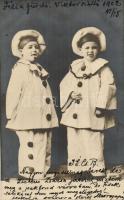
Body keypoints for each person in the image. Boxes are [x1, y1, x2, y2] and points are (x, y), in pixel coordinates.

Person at [60, 27, 117, 177]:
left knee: (93, 139)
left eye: (94, 47)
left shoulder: (103, 68)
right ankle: (78, 170)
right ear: (80, 49)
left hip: (92, 112)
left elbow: (109, 86)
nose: (90, 51)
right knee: (75, 140)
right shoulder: (75, 66)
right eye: (87, 47)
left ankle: (96, 170)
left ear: (98, 49)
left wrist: (101, 106)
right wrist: (71, 94)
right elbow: (64, 84)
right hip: (75, 112)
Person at [6, 30, 58, 179]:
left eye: (36, 47)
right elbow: (13, 93)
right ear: (21, 51)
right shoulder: (20, 70)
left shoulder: (39, 69)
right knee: (31, 143)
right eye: (30, 47)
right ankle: (30, 173)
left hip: (43, 115)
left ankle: (43, 171)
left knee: (44, 143)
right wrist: (11, 114)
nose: (34, 50)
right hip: (27, 116)